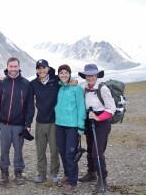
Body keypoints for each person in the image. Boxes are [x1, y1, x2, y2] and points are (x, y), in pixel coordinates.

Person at [0, 57, 35, 186]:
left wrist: (28, 123)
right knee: (4, 150)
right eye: (11, 66)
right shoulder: (1, 84)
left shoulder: (26, 84)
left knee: (18, 150)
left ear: (19, 67)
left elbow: (30, 106)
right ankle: (4, 173)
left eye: (15, 66)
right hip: (4, 124)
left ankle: (18, 172)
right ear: (7, 67)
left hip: (19, 125)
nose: (13, 69)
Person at [78, 64, 116, 194]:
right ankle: (91, 173)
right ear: (85, 76)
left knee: (97, 152)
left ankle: (102, 179)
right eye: (88, 75)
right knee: (90, 150)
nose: (90, 77)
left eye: (93, 75)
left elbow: (111, 109)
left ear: (97, 75)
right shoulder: (85, 89)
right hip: (90, 122)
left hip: (102, 123)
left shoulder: (103, 88)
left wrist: (99, 118)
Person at [54, 64, 86, 195]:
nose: (63, 75)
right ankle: (67, 175)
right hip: (59, 125)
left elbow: (81, 107)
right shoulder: (59, 87)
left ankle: (73, 183)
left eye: (66, 73)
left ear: (69, 74)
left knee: (70, 154)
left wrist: (80, 127)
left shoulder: (76, 88)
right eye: (61, 73)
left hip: (72, 126)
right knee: (62, 151)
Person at [30, 59, 61, 184]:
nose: (41, 71)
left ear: (48, 68)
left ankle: (54, 173)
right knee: (40, 150)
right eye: (39, 68)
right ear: (37, 70)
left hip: (54, 121)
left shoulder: (56, 81)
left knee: (54, 150)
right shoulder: (33, 83)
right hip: (40, 121)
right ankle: (41, 173)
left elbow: (67, 81)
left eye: (44, 68)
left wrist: (73, 82)